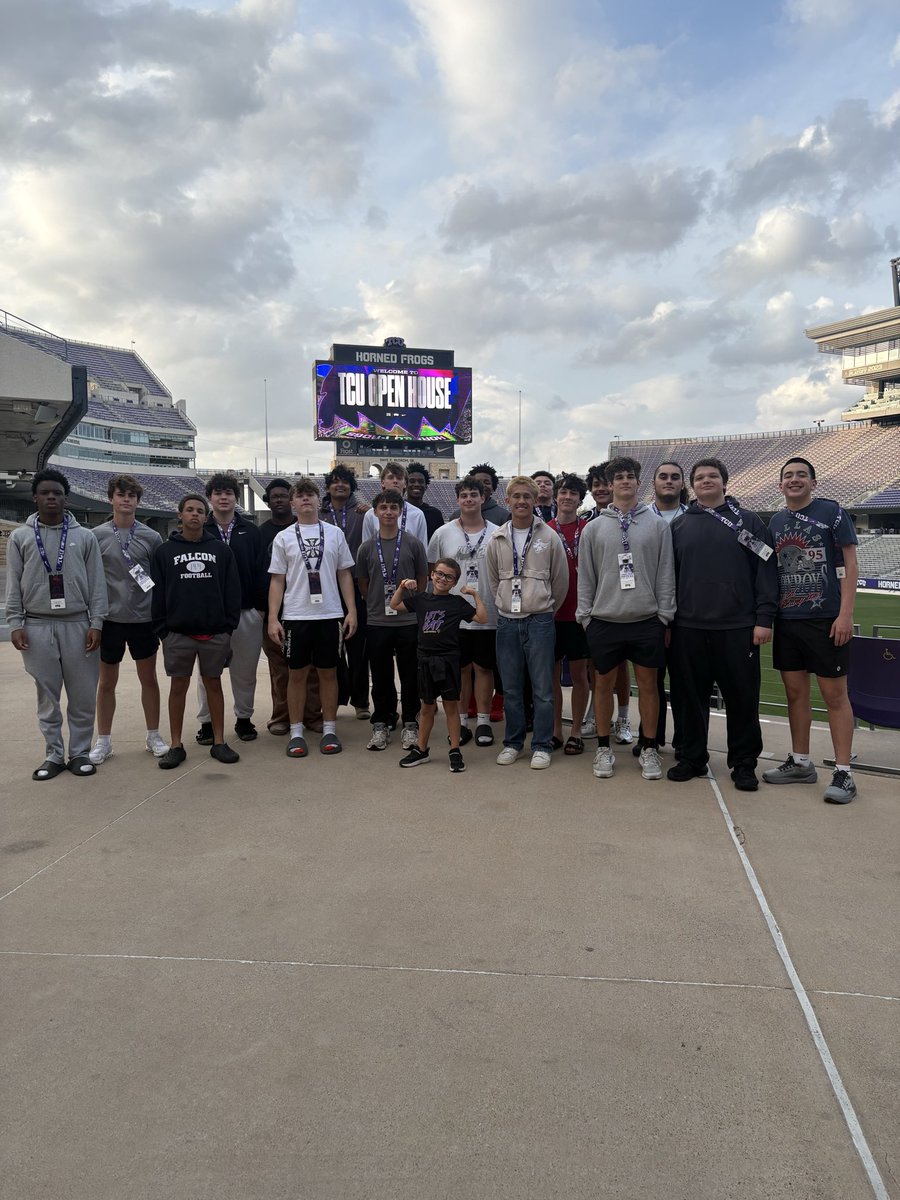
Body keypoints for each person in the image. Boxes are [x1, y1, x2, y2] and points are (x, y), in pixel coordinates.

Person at [667, 458, 777, 791]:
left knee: (742, 699)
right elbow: (669, 578)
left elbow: (766, 572)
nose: (706, 481)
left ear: (724, 483)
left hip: (737, 627)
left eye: (712, 476)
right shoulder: (679, 526)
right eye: (699, 477)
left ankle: (744, 764)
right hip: (689, 627)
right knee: (688, 698)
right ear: (693, 486)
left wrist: (764, 619)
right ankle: (691, 757)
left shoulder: (749, 521)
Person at [763, 457, 860, 804]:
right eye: (788, 476)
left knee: (835, 696)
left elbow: (850, 564)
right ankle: (801, 763)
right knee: (795, 694)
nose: (794, 480)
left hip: (826, 619)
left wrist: (846, 614)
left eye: (801, 474)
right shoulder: (775, 522)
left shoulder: (832, 513)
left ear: (813, 482)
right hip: (788, 620)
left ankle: (844, 772)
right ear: (780, 486)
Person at [6, 469, 108, 780]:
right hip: (36, 625)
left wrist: (97, 623)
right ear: (35, 497)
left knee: (82, 694)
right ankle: (52, 754)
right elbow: (14, 582)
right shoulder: (21, 537)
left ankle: (79, 753)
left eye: (57, 493)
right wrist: (15, 622)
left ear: (66, 498)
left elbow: (97, 585)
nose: (52, 497)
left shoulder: (84, 536)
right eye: (45, 493)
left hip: (78, 623)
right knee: (47, 696)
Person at [577, 457, 674, 782]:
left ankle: (648, 748)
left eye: (630, 476)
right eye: (618, 477)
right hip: (605, 620)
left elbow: (665, 572)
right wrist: (586, 616)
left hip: (646, 619)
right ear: (609, 483)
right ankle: (603, 747)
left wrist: (664, 615)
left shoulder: (657, 524)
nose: (625, 481)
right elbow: (586, 576)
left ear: (638, 481)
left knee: (648, 686)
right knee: (602, 685)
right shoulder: (593, 527)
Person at [267, 479, 357, 758]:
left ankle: (329, 728)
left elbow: (344, 573)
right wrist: (273, 617)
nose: (305, 499)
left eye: (310, 495)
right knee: (297, 675)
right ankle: (296, 732)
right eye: (300, 496)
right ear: (293, 503)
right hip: (296, 615)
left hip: (329, 614)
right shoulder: (283, 537)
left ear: (320, 501)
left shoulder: (334, 533)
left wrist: (351, 610)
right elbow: (277, 580)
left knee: (329, 674)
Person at [151, 493, 242, 768]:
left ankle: (218, 742)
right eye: (189, 510)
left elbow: (232, 591)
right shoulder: (164, 552)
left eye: (199, 511)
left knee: (213, 684)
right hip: (178, 633)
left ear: (207, 516)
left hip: (215, 632)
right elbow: (157, 594)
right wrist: (163, 630)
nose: (194, 514)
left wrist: (228, 628)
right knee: (178, 685)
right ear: (180, 515)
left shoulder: (221, 551)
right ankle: (176, 745)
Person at [486, 475, 568, 769]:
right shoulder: (496, 538)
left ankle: (542, 744)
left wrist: (543, 605)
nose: (521, 501)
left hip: (540, 620)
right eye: (516, 496)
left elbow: (560, 581)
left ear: (536, 501)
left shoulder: (549, 536)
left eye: (527, 497)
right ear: (507, 501)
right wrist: (506, 603)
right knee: (511, 687)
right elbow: (493, 580)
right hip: (507, 621)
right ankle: (513, 742)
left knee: (543, 688)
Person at [89, 474, 167, 763]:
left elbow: (159, 579)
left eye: (131, 496)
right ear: (111, 498)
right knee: (107, 682)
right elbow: (91, 581)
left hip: (143, 619)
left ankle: (153, 735)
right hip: (110, 620)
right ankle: (104, 740)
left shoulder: (151, 537)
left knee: (149, 679)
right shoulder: (95, 536)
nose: (126, 500)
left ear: (137, 501)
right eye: (121, 494)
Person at [390, 557, 489, 772]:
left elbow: (482, 618)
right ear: (431, 575)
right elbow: (394, 605)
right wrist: (402, 587)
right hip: (425, 659)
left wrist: (474, 594)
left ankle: (454, 750)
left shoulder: (457, 603)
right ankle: (421, 748)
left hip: (448, 660)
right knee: (426, 707)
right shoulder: (421, 599)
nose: (443, 579)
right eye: (439, 574)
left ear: (454, 582)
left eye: (449, 577)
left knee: (451, 706)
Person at [426, 476, 500, 747]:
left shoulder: (497, 531)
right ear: (457, 500)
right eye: (464, 495)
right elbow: (431, 569)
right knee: (460, 669)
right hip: (451, 612)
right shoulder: (443, 533)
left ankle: (483, 721)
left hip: (486, 609)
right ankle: (462, 723)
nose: (469, 499)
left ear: (483, 498)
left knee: (483, 667)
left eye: (474, 494)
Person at [196, 473, 266, 746]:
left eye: (228, 493)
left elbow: (262, 571)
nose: (223, 497)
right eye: (218, 492)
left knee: (245, 671)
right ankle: (206, 721)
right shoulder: (201, 530)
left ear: (236, 498)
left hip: (246, 611)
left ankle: (243, 718)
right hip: (210, 616)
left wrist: (260, 610)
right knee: (207, 674)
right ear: (210, 497)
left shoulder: (251, 531)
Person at [356, 489, 428, 750]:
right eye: (383, 507)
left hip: (407, 621)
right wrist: (377, 603)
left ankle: (410, 722)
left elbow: (422, 579)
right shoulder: (366, 547)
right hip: (378, 621)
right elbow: (363, 582)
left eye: (393, 508)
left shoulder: (412, 544)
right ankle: (382, 721)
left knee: (410, 675)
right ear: (375, 512)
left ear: (400, 512)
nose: (388, 512)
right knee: (381, 676)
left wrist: (411, 603)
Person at [635, 461, 689, 756]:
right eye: (663, 477)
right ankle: (650, 739)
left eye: (675, 477)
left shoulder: (692, 517)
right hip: (649, 613)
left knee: (684, 682)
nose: (668, 481)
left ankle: (685, 743)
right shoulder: (639, 518)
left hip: (687, 613)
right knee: (650, 681)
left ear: (683, 483)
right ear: (653, 483)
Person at [583, 461, 632, 741]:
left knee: (621, 666)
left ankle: (623, 718)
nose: (601, 488)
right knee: (596, 666)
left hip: (623, 603)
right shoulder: (587, 520)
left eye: (605, 483)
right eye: (597, 484)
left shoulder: (633, 515)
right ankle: (596, 714)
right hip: (596, 604)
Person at [321, 464, 371, 720]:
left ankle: (361, 700)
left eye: (345, 482)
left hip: (355, 584)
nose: (340, 485)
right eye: (335, 481)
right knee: (332, 647)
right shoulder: (319, 514)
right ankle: (339, 695)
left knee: (358, 646)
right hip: (327, 587)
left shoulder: (363, 513)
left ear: (352, 487)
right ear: (328, 486)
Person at [548, 474, 591, 754]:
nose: (567, 497)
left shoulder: (589, 529)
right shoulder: (544, 530)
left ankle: (576, 730)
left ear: (580, 499)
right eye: (563, 492)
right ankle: (555, 730)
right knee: (550, 677)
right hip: (550, 614)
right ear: (555, 496)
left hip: (580, 614)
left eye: (573, 493)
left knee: (579, 675)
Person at [258, 477, 295, 736]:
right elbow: (258, 572)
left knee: (309, 667)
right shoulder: (260, 533)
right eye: (275, 497)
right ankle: (281, 715)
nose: (279, 500)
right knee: (279, 667)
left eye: (284, 495)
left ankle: (311, 714)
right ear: (268, 501)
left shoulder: (304, 527)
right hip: (274, 611)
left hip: (304, 608)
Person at [361, 463, 428, 546]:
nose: (395, 481)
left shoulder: (417, 515)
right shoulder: (370, 515)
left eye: (399, 478)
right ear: (382, 483)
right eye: (390, 477)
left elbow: (422, 550)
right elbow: (366, 549)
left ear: (405, 484)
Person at [450, 462, 511, 526]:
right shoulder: (455, 516)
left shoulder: (505, 516)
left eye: (487, 482)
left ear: (493, 488)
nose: (482, 485)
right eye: (478, 482)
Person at [406, 462, 445, 541]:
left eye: (420, 481)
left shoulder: (435, 514)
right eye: (412, 481)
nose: (416, 484)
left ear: (426, 486)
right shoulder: (398, 511)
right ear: (405, 485)